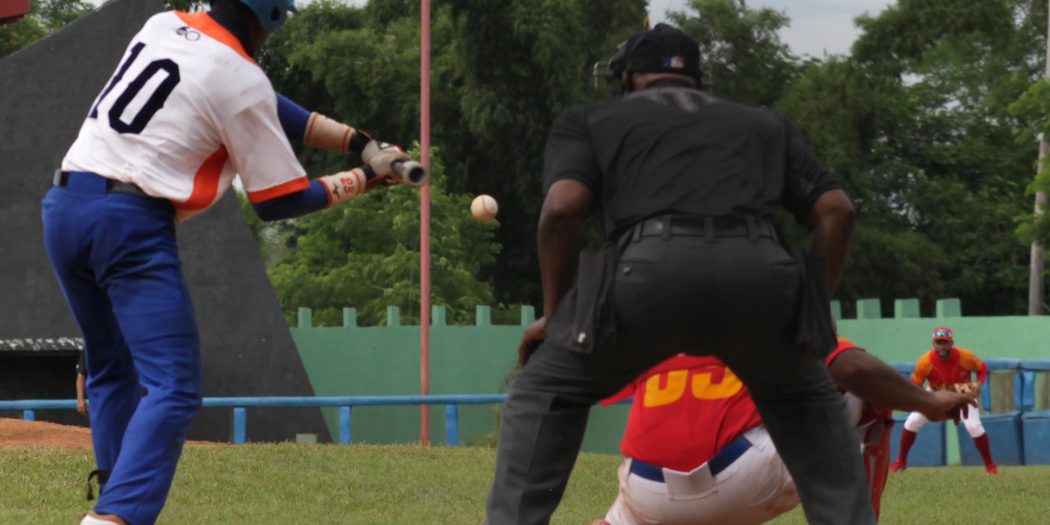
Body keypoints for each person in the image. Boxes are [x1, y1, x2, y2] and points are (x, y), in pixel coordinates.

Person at [486, 24, 873, 525]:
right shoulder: (763, 124)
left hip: (647, 273)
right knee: (806, 400)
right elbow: (836, 212)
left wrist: (558, 316)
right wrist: (808, 312)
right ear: (699, 79)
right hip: (758, 274)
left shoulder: (590, 120)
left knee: (544, 393)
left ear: (625, 78)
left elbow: (562, 212)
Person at [42, 1, 413, 524]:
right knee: (173, 387)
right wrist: (363, 179)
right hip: (129, 221)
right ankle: (111, 519)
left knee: (108, 366)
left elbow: (268, 103)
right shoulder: (242, 78)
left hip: (64, 207)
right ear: (269, 14)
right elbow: (277, 200)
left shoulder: (166, 23)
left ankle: (113, 497)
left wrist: (358, 141)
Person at [590, 337, 976, 525]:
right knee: (867, 396)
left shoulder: (656, 329)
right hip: (742, 478)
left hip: (646, 491)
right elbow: (851, 368)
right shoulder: (762, 311)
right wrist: (929, 403)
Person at [891, 326, 997, 474]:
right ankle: (901, 461)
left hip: (962, 393)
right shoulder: (925, 361)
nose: (942, 346)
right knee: (912, 421)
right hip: (936, 394)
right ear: (933, 344)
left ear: (951, 343)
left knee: (974, 426)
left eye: (945, 342)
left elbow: (982, 368)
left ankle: (990, 466)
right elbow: (916, 384)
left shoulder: (965, 356)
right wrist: (920, 400)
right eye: (938, 342)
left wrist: (978, 385)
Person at [76, 352, 88, 416]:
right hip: (99, 397)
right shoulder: (90, 347)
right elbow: (81, 374)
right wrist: (80, 399)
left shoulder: (122, 344)